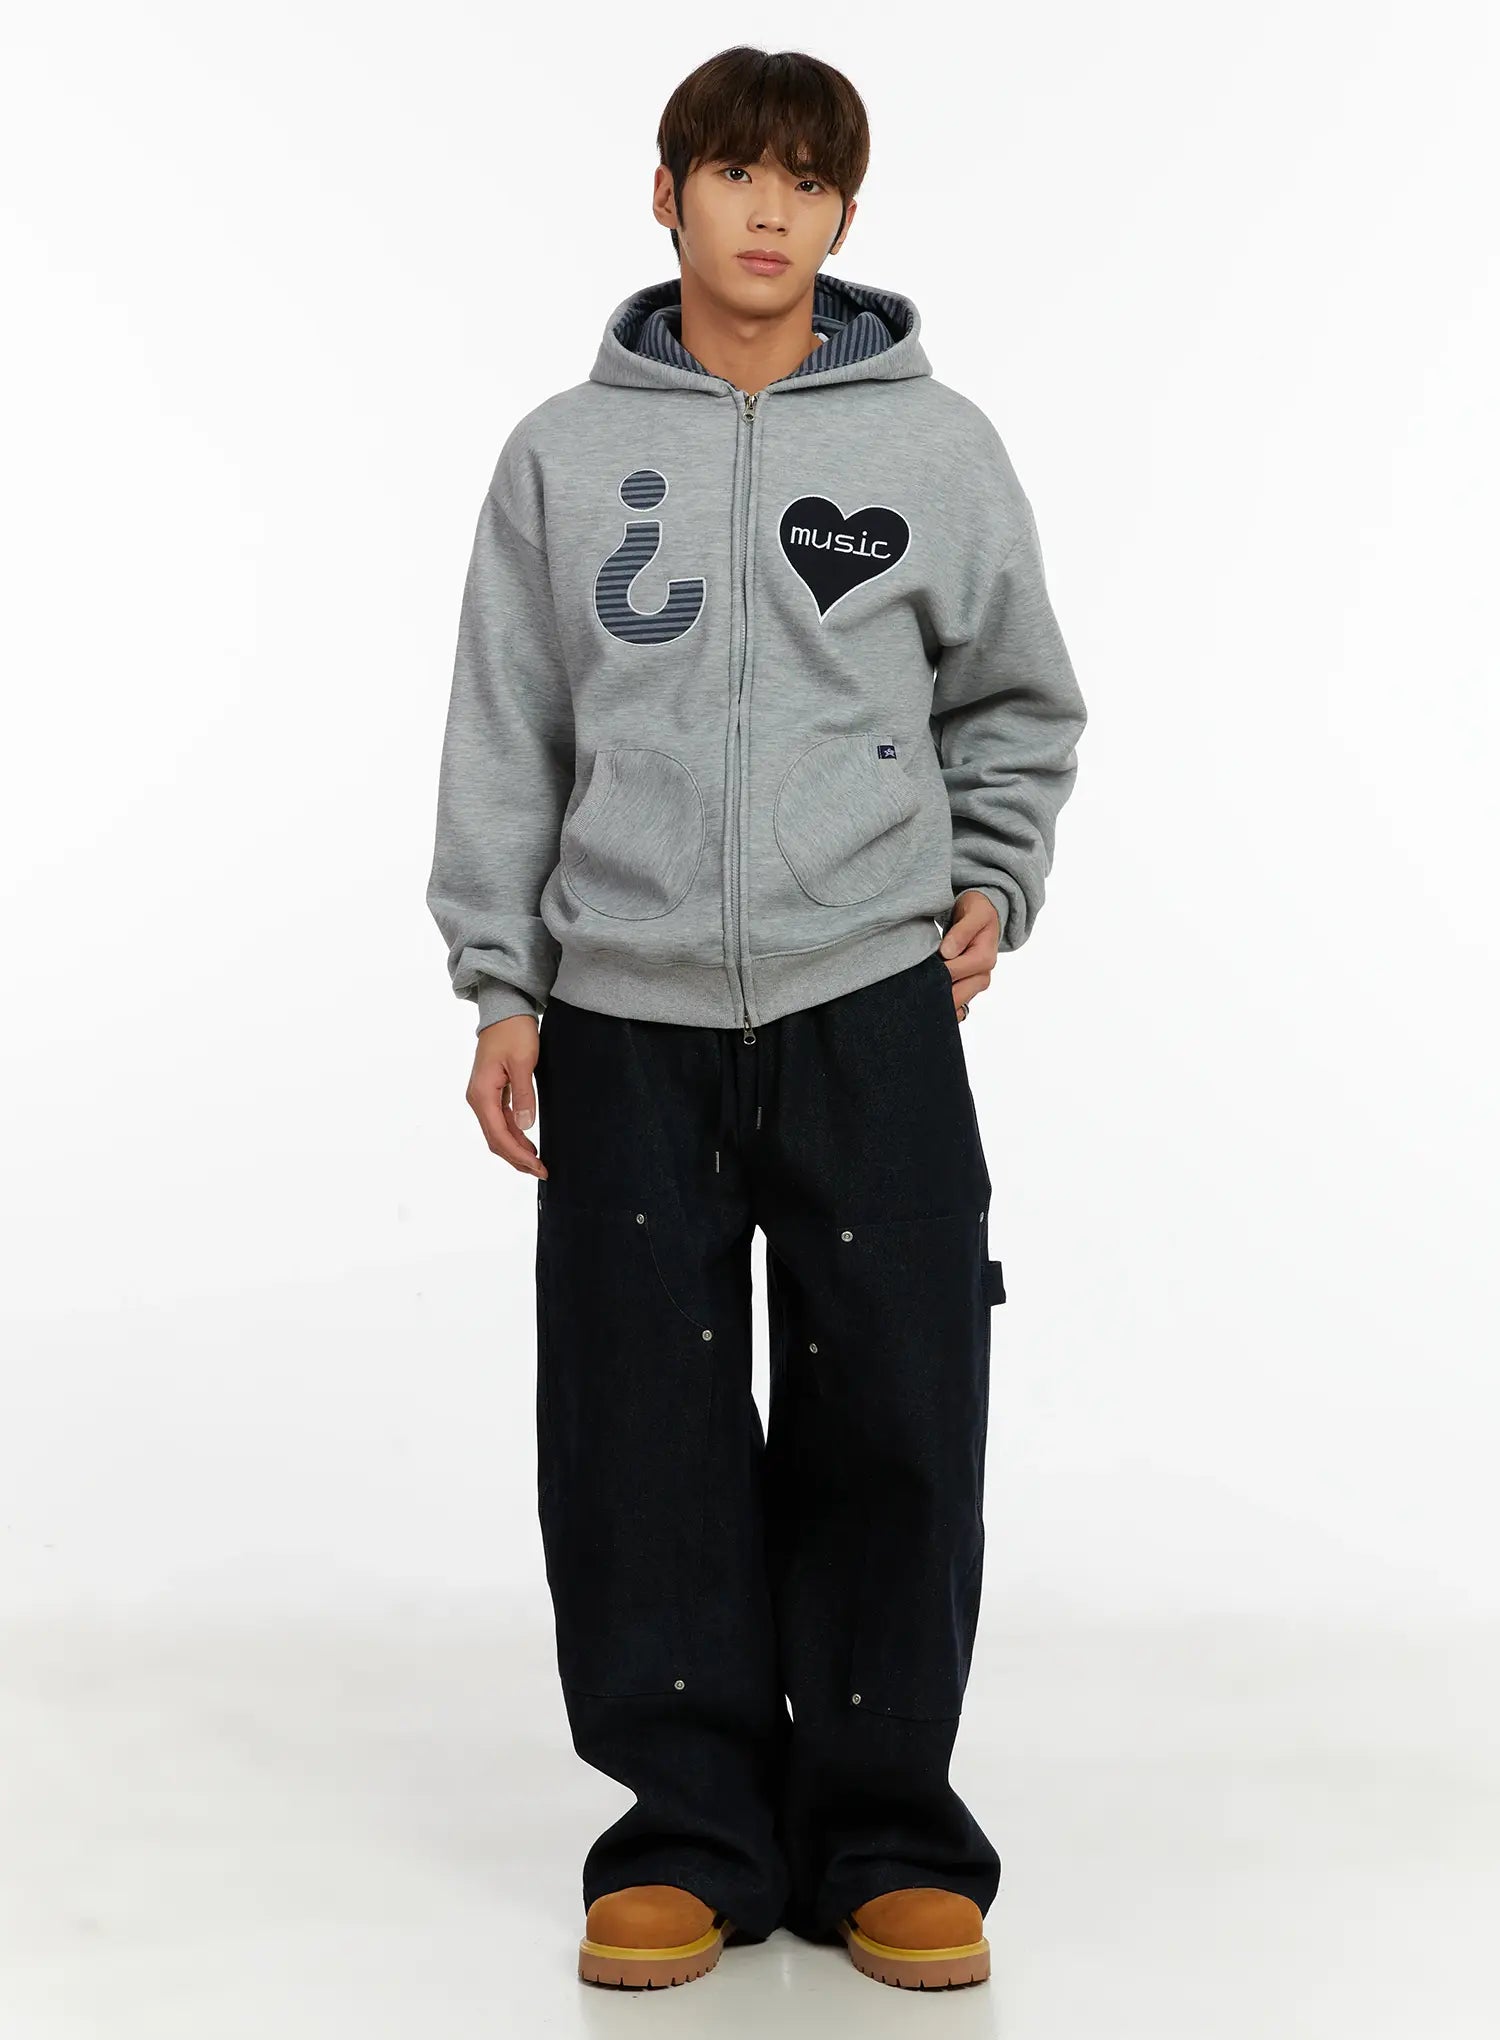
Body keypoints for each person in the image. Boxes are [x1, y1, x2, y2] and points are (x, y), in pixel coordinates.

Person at [425, 43, 1086, 1993]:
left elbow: (1018, 700)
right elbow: (509, 733)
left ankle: (886, 1834)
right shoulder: (562, 456)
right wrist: (503, 983)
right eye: (734, 172)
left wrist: (992, 876)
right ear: (670, 196)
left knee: (898, 1405)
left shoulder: (936, 449)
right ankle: (689, 1831)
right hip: (623, 1011)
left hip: (867, 993)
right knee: (639, 1424)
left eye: (806, 179)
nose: (769, 209)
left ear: (846, 212)